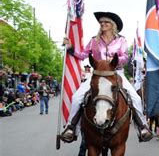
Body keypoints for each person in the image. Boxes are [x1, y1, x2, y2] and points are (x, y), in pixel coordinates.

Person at [60, 11, 152, 143]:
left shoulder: (121, 40)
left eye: (106, 22)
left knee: (136, 98)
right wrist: (70, 48)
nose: (103, 24)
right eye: (101, 22)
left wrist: (114, 60)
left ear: (112, 25)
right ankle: (71, 128)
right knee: (76, 98)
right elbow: (83, 55)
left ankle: (143, 127)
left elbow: (125, 57)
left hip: (116, 73)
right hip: (97, 74)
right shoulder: (94, 41)